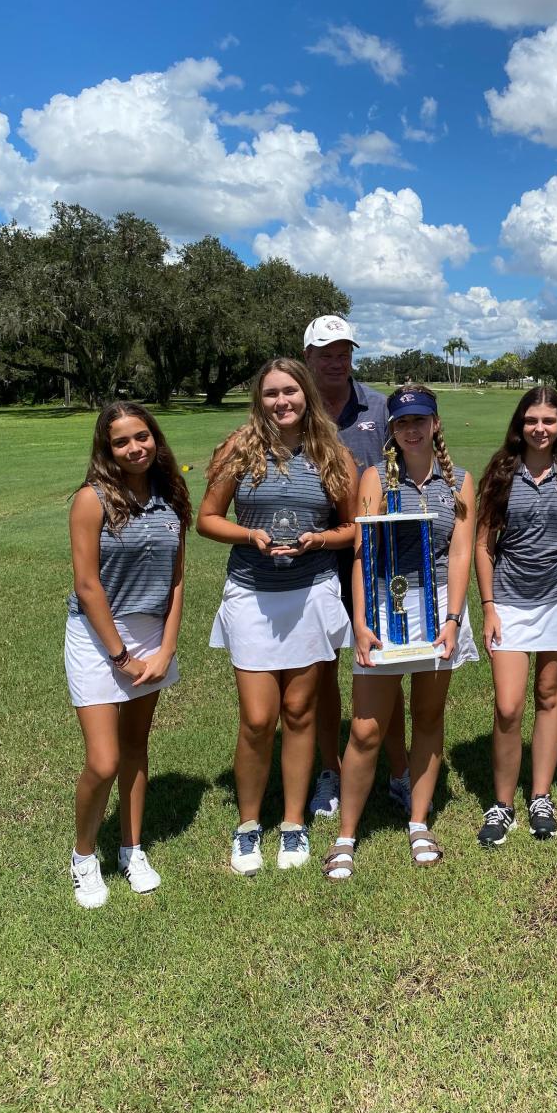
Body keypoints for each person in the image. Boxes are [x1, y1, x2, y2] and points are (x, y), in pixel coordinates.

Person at [198, 357, 357, 874]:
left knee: (300, 713)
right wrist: (250, 535)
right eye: (271, 394)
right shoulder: (239, 449)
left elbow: (353, 527)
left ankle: (292, 824)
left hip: (311, 592)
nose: (281, 402)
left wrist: (320, 539)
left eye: (290, 392)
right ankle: (248, 826)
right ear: (258, 399)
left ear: (306, 394)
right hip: (252, 594)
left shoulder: (330, 452)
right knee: (258, 718)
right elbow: (207, 519)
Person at [323, 386, 477, 879]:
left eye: (421, 420)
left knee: (428, 719)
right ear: (391, 429)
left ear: (436, 424)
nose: (412, 429)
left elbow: (460, 556)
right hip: (385, 612)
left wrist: (453, 620)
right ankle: (346, 836)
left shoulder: (460, 483)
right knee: (367, 728)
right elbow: (363, 556)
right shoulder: (374, 478)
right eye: (402, 422)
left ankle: (418, 822)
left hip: (437, 612)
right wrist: (362, 621)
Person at [66, 403, 191, 909]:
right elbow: (87, 584)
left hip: (150, 636)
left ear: (155, 439)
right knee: (104, 759)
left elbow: (178, 578)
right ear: (106, 448)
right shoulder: (91, 500)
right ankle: (83, 857)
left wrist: (166, 648)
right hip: (99, 638)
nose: (135, 448)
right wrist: (122, 657)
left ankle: (131, 848)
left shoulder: (171, 497)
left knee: (136, 746)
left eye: (142, 437)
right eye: (122, 441)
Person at [474, 388, 557, 848]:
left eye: (549, 420)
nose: (540, 428)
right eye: (532, 420)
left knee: (549, 694)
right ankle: (502, 802)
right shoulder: (501, 473)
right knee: (508, 705)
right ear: (520, 424)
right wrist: (487, 607)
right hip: (508, 601)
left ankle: (540, 795)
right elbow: (484, 545)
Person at [303, 316, 411, 820]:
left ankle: (399, 771)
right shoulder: (295, 408)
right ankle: (330, 769)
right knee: (321, 670)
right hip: (315, 554)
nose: (335, 360)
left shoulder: (379, 405)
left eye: (343, 350)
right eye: (325, 352)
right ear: (308, 357)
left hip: (376, 554)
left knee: (385, 661)